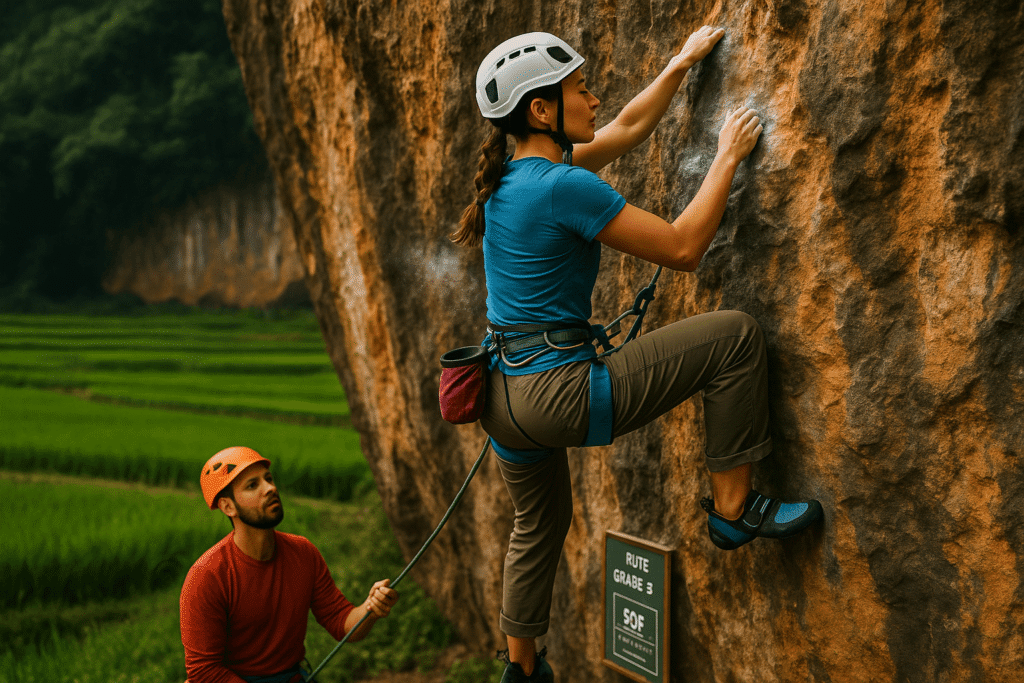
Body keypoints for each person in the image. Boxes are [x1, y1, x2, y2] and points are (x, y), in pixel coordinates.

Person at [454, 29, 823, 682]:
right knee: (734, 335)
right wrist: (727, 155)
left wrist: (679, 65)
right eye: (579, 89)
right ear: (541, 110)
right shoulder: (562, 187)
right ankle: (735, 511)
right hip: (561, 394)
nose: (595, 98)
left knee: (538, 526)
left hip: (503, 398)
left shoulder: (513, 179)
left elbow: (625, 127)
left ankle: (522, 667)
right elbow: (683, 247)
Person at [180, 446, 398, 683]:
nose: (270, 488)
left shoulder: (303, 553)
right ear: (227, 507)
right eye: (253, 486)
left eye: (269, 479)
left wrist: (370, 609)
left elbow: (340, 620)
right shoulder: (207, 576)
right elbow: (204, 671)